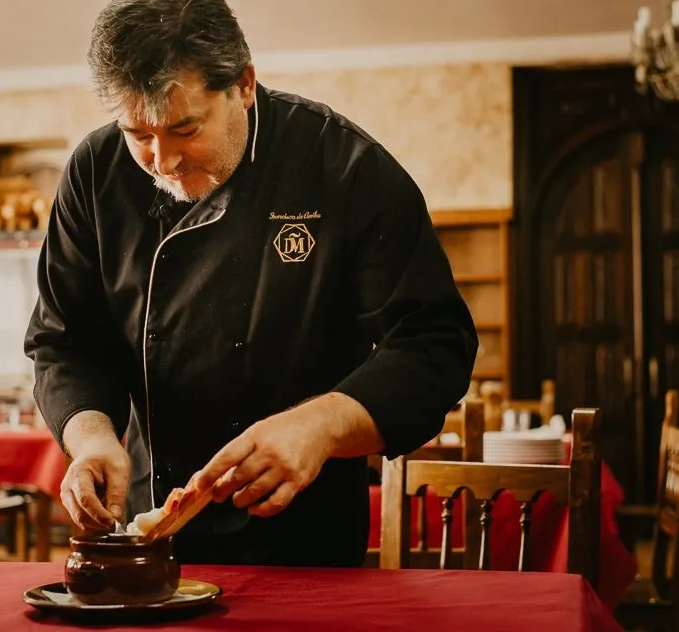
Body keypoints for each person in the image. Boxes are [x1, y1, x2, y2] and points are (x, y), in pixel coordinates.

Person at [24, 0, 479, 567]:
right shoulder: (96, 172)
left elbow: (435, 344)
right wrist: (90, 436)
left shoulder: (341, 166)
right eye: (137, 133)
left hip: (304, 543)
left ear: (243, 84)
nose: (162, 160)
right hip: (147, 540)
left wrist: (323, 423)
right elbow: (64, 342)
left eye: (184, 128)